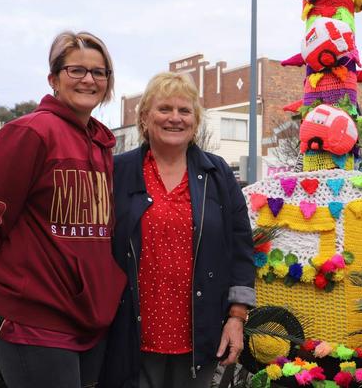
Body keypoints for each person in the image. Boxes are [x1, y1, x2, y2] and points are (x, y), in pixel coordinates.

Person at [0, 31, 127, 388]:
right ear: (54, 79)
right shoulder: (29, 133)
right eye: (76, 70)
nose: (89, 79)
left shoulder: (101, 146)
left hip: (91, 320)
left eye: (99, 72)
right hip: (34, 322)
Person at [100, 72, 256, 388]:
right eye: (164, 109)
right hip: (129, 334)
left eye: (184, 111)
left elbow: (241, 248)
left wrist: (237, 318)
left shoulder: (217, 174)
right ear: (144, 118)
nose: (175, 118)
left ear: (195, 121)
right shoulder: (117, 171)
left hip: (200, 334)